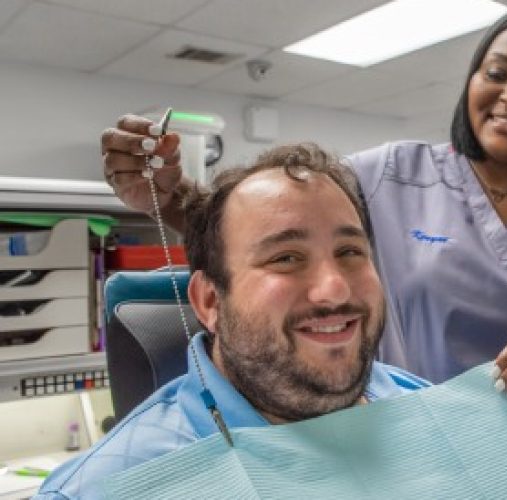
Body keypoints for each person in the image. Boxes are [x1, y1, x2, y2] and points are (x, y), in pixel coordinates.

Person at [100, 5, 507, 499]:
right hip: (418, 471)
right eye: (495, 73)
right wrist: (167, 194)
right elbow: (265, 229)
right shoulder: (391, 174)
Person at [36, 144, 429, 499]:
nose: (335, 290)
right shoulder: (104, 489)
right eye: (285, 258)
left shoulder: (430, 408)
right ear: (209, 301)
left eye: (349, 251)